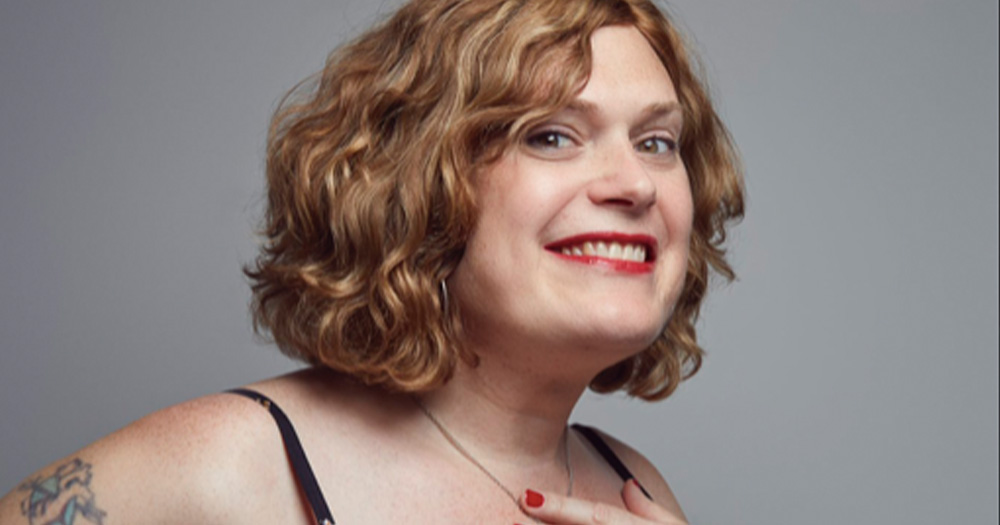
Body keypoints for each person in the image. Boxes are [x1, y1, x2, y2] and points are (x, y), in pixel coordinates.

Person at [0, 0, 743, 523]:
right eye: (550, 135)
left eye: (657, 142)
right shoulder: (233, 466)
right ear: (421, 183)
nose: (635, 184)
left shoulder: (634, 490)